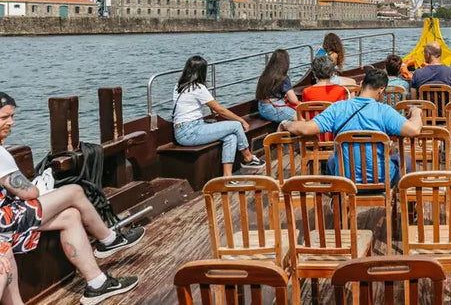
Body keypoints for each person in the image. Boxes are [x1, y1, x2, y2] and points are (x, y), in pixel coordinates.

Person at [0, 92, 145, 304]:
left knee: (70, 216)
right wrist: (38, 187)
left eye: (12, 117)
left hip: (7, 217)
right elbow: (29, 193)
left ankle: (97, 284)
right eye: (4, 117)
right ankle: (108, 240)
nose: (11, 122)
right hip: (6, 221)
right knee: (74, 192)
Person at [281, 68, 422, 185]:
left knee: (331, 160)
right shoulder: (384, 111)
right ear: (381, 90)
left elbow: (306, 128)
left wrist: (287, 124)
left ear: (361, 84)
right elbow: (414, 130)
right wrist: (416, 113)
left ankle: (339, 201)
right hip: (381, 180)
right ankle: (409, 207)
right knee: (406, 159)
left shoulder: (337, 108)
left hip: (346, 182)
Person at [172, 56, 264, 177]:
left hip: (182, 130)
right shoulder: (198, 87)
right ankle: (248, 158)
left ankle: (227, 177)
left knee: (230, 137)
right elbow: (220, 110)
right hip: (190, 131)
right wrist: (241, 120)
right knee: (236, 125)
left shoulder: (179, 85)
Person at [255, 49, 300, 124]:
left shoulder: (264, 75)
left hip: (262, 108)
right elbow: (294, 100)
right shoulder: (283, 78)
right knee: (303, 117)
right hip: (273, 108)